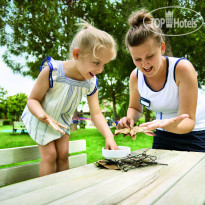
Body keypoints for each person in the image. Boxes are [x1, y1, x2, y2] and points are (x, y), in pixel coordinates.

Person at [21, 20, 118, 177]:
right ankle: (44, 195)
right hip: (40, 117)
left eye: (104, 64)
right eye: (96, 63)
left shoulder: (90, 81)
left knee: (63, 154)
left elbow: (97, 113)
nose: (100, 70)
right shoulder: (52, 71)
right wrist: (44, 117)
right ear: (76, 54)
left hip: (62, 120)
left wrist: (109, 136)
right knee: (50, 155)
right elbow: (32, 100)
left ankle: (63, 193)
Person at [118, 9, 205, 152]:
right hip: (162, 133)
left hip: (196, 133)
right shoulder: (135, 77)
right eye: (137, 59)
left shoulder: (182, 69)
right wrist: (130, 118)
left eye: (150, 56)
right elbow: (134, 108)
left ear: (162, 48)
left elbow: (188, 121)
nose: (144, 64)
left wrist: (163, 124)